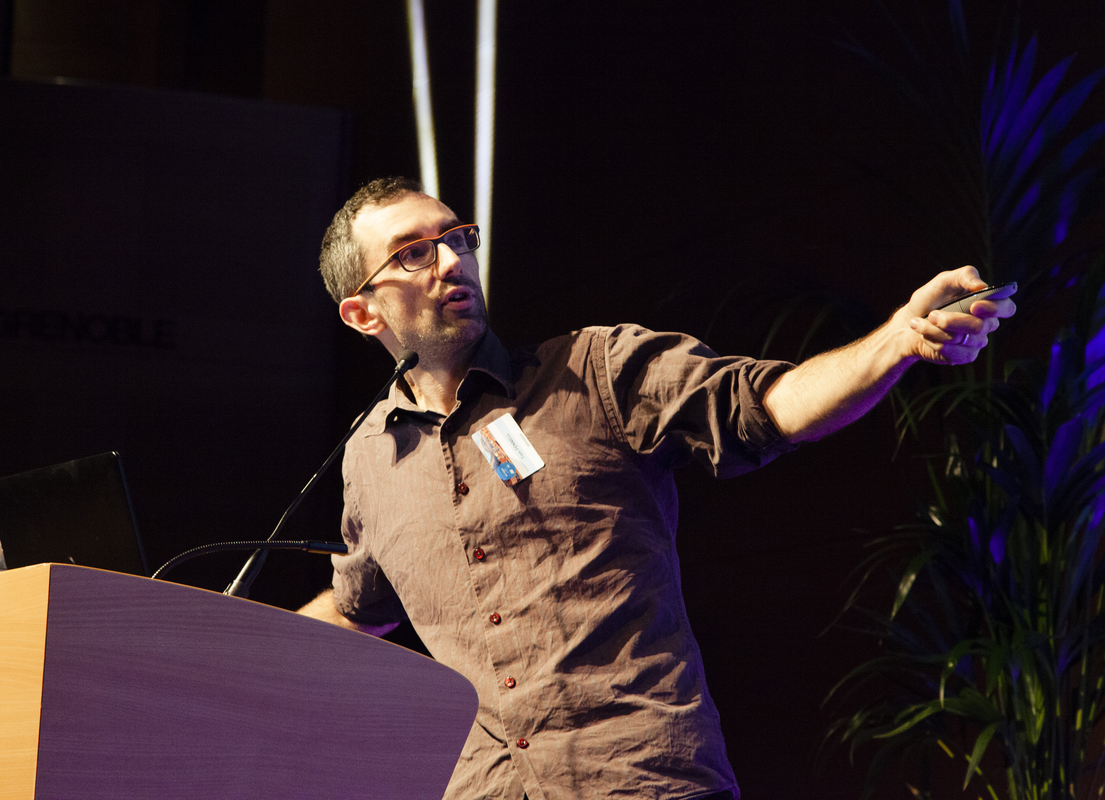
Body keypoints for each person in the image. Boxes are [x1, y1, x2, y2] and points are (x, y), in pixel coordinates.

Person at [298, 177, 1016, 799]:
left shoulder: (595, 372)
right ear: (363, 312)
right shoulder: (370, 458)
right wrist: (228, 645)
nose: (453, 260)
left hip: (641, 778)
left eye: (459, 238)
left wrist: (895, 339)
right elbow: (360, 608)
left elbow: (767, 406)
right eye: (414, 252)